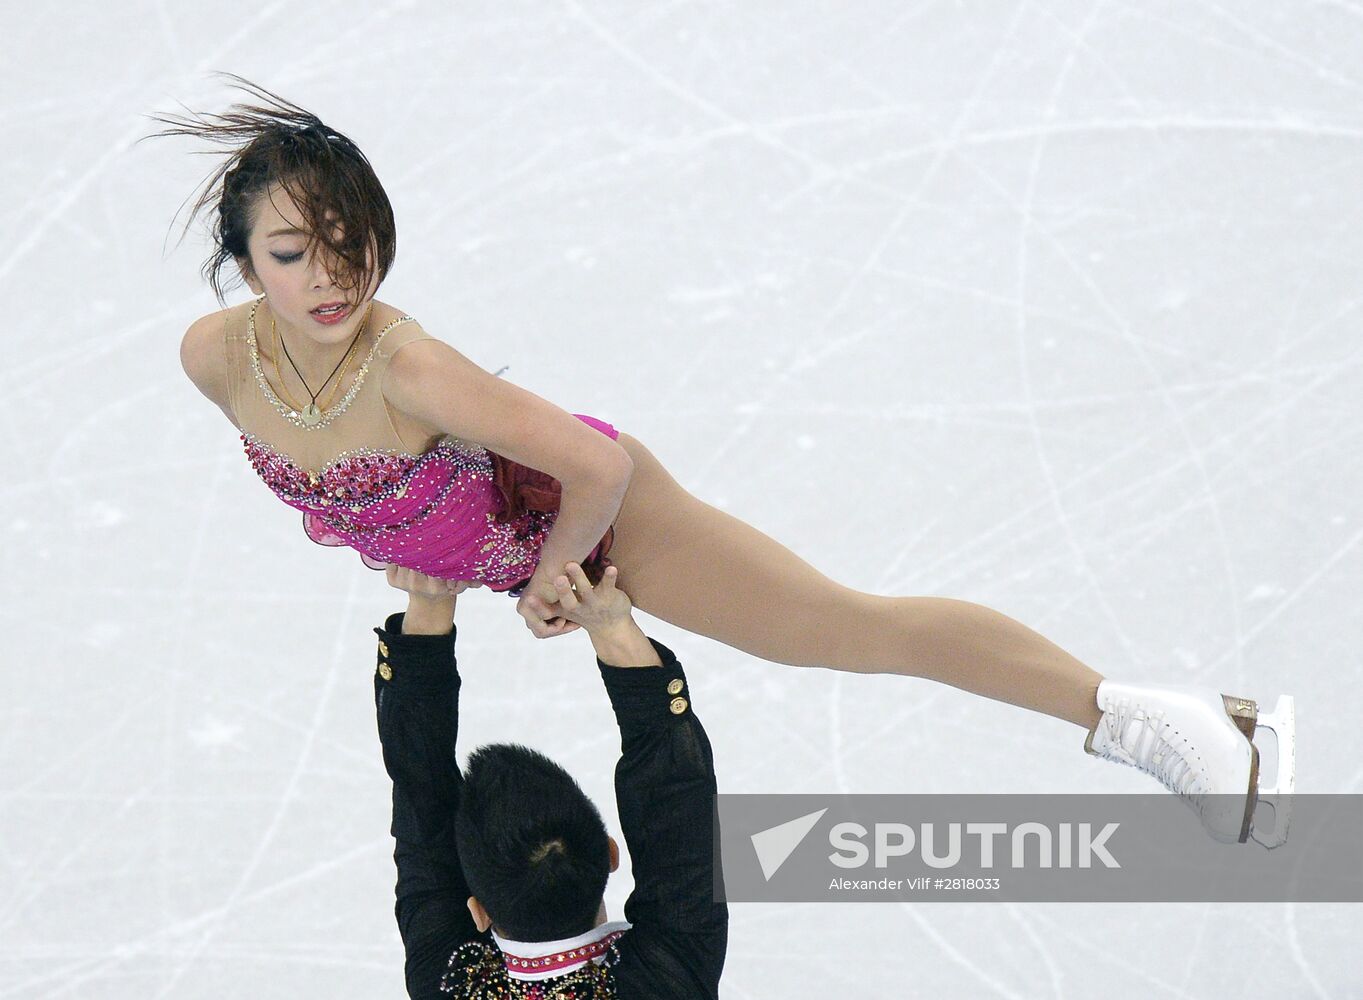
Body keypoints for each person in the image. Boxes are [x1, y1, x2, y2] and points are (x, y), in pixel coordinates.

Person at [147, 75, 1294, 848]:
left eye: (353, 247)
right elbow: (343, 484)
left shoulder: (415, 370)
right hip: (501, 550)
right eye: (293, 252)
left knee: (851, 630)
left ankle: (1159, 723)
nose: (330, 277)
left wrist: (552, 574)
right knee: (846, 633)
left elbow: (592, 470)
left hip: (595, 521)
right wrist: (419, 551)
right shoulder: (217, 360)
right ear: (244, 263)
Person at [375, 558, 725, 998]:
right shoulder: (668, 973)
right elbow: (676, 802)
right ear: (610, 854)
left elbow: (421, 801)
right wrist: (611, 628)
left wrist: (427, 604)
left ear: (478, 912)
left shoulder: (447, 980)